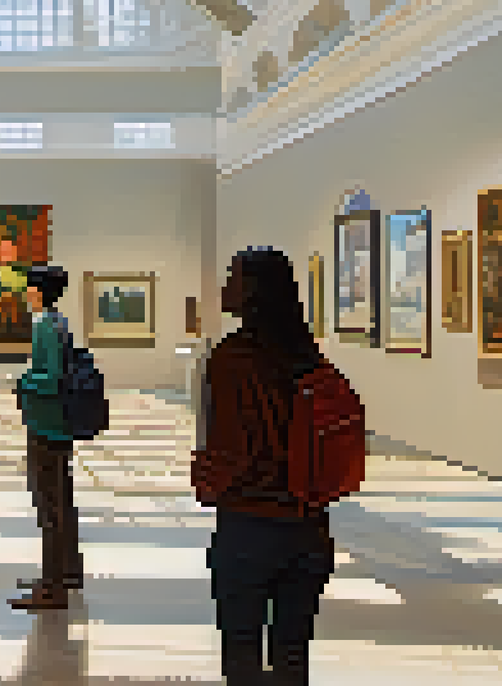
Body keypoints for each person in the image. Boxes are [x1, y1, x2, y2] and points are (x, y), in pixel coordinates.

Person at [195, 248, 343, 685]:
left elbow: (231, 446)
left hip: (249, 525)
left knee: (242, 652)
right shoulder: (308, 354)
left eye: (234, 278)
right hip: (308, 524)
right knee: (292, 654)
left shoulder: (233, 358)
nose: (225, 287)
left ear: (254, 291)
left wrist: (208, 483)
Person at [11, 264, 82, 611]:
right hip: (58, 424)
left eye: (29, 288)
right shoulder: (59, 322)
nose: (26, 293)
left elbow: (51, 378)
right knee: (61, 501)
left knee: (49, 505)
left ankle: (53, 586)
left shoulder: (44, 326)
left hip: (46, 424)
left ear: (39, 291)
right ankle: (66, 572)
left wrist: (23, 382)